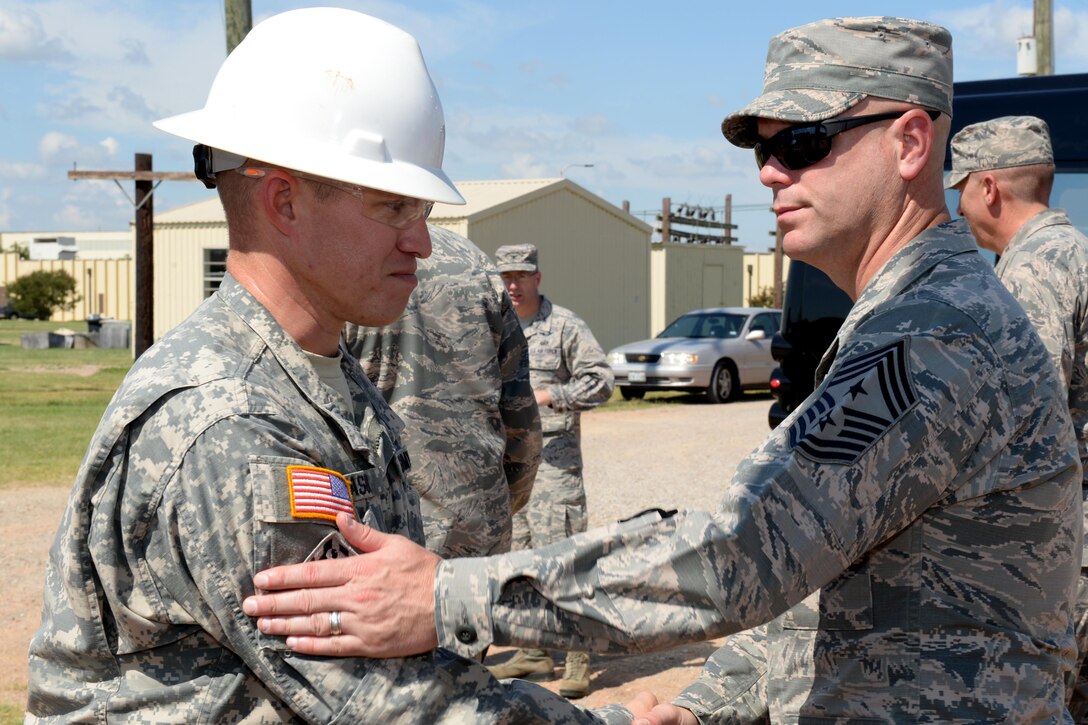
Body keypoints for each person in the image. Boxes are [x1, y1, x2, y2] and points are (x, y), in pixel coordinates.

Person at [242, 16, 1083, 723]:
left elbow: (742, 550)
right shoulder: (902, 315)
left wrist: (441, 596)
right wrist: (713, 698)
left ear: (909, 143)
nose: (769, 170)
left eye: (804, 141)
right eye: (762, 145)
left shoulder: (935, 332)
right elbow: (831, 576)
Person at [24, 8, 653, 723]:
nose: (421, 241)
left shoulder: (323, 374)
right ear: (284, 200)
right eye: (393, 207)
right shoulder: (231, 422)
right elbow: (387, 702)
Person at [946, 115, 1088, 721]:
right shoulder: (1075, 250)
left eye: (960, 190)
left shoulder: (1035, 270)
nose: (958, 208)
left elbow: (1024, 416)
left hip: (1065, 548)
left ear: (989, 188)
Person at [343, 226, 542, 559]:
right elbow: (519, 412)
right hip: (477, 524)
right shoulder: (473, 262)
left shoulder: (338, 256)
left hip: (377, 535)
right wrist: (504, 501)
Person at [486, 243, 614, 698]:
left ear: (538, 277)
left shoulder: (564, 326)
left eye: (521, 275)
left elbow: (601, 381)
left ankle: (578, 659)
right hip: (509, 470)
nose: (513, 285)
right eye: (506, 276)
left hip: (555, 471)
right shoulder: (494, 327)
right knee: (517, 564)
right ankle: (533, 652)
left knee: (565, 565)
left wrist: (550, 395)